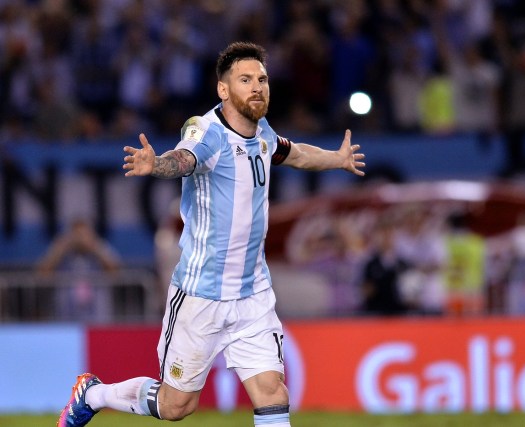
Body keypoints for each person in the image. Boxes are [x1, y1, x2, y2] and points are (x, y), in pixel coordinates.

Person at [57, 41, 365, 427]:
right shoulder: (206, 131)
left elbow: (293, 153)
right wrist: (156, 165)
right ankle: (94, 393)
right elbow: (184, 159)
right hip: (201, 296)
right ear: (223, 89)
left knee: (272, 392)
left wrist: (336, 159)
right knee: (175, 407)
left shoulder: (263, 131)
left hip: (253, 294)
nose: (257, 87)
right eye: (246, 79)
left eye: (262, 79)